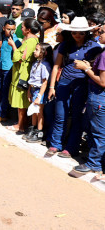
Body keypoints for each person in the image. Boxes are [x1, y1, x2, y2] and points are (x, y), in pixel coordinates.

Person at [46, 17, 102, 158]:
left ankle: (71, 148)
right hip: (64, 82)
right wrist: (52, 86)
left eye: (81, 33)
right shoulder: (66, 45)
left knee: (77, 116)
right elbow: (56, 66)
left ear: (86, 33)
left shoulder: (94, 47)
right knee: (60, 115)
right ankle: (55, 144)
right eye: (74, 32)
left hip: (82, 84)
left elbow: (95, 69)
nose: (77, 35)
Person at [72, 24, 105, 180]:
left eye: (102, 32)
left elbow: (102, 81)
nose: (99, 35)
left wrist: (85, 68)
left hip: (99, 96)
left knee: (98, 133)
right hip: (98, 97)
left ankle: (94, 164)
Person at [7, 18, 41, 133]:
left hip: (23, 73)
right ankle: (21, 124)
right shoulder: (31, 40)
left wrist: (13, 45)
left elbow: (21, 58)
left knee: (22, 101)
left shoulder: (31, 41)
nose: (20, 29)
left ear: (28, 30)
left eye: (22, 27)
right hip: (22, 71)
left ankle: (21, 126)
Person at [0, 20, 20, 122]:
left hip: (9, 69)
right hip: (1, 67)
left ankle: (3, 114)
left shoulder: (15, 41)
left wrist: (13, 45)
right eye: (8, 29)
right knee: (0, 90)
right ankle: (1, 111)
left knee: (5, 92)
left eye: (12, 29)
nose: (10, 31)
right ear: (3, 28)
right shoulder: (3, 38)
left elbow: (18, 55)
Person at [25, 43, 53, 142]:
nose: (34, 51)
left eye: (36, 50)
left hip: (39, 91)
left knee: (39, 112)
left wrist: (39, 96)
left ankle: (39, 132)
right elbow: (31, 79)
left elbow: (44, 83)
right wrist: (29, 91)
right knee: (34, 111)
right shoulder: (35, 63)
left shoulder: (45, 65)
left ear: (44, 53)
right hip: (33, 89)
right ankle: (32, 128)